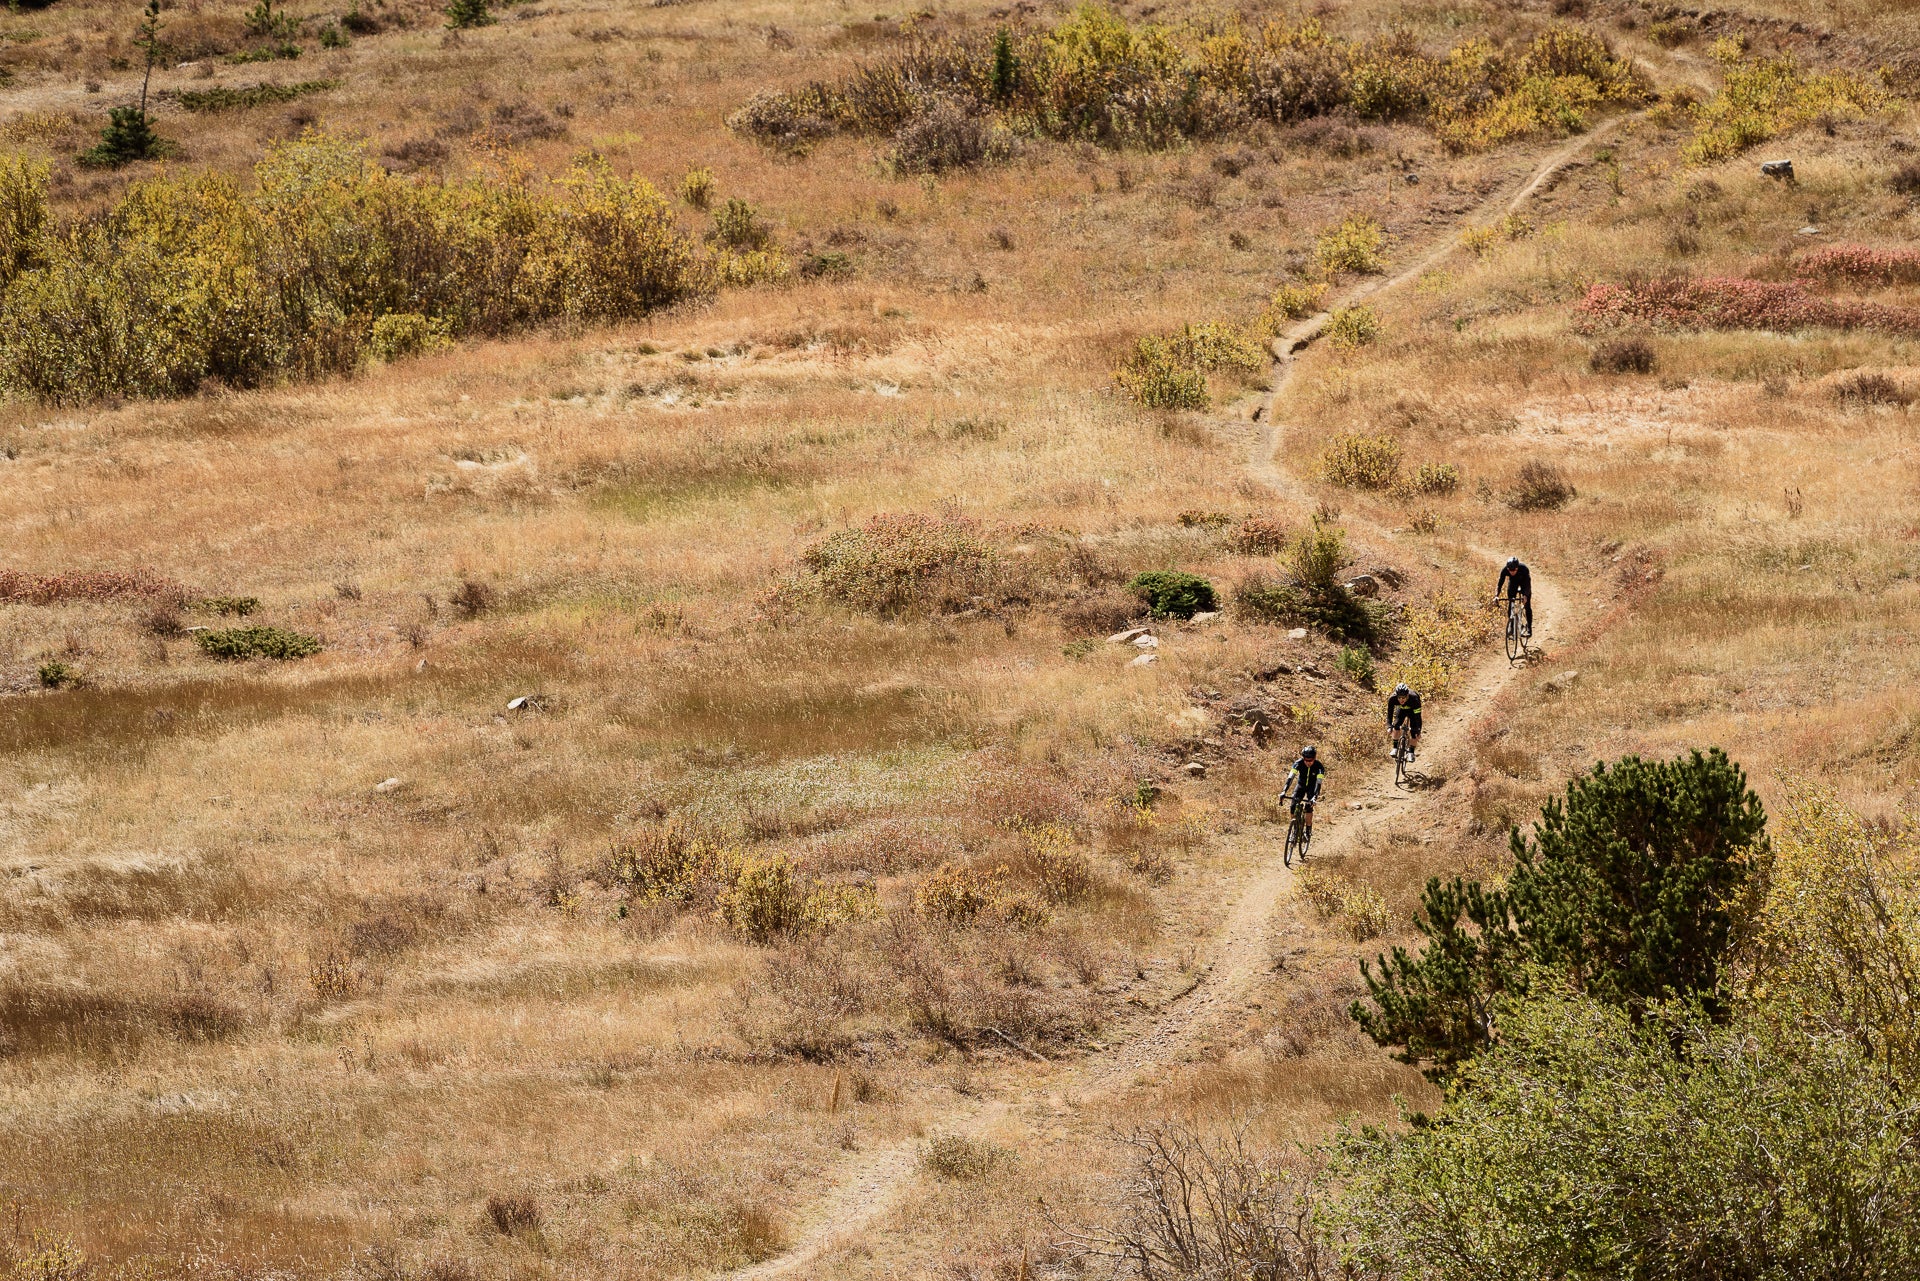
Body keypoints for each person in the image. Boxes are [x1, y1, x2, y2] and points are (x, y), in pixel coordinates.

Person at [1281, 744, 1326, 838]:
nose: (1308, 762)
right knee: (1293, 805)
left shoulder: (1319, 767)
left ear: (1314, 758)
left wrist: (1315, 797)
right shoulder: (1298, 763)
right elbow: (1290, 778)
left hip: (1312, 787)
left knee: (1308, 807)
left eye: (1311, 760)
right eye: (1306, 759)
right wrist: (1284, 791)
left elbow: (1318, 784)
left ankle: (1308, 830)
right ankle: (1295, 829)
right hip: (1301, 785)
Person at [1496, 556, 1533, 636]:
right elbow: (1500, 583)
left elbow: (1527, 585)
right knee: (1511, 602)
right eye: (1510, 571)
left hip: (1524, 583)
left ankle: (1529, 628)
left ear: (1517, 568)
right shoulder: (1505, 570)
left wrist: (1525, 595)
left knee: (1527, 605)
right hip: (1513, 583)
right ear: (1508, 569)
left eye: (1514, 570)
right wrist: (1496, 595)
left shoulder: (1524, 569)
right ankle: (1512, 626)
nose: (1512, 572)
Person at [1386, 683, 1422, 761]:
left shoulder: (1414, 699)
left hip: (1413, 712)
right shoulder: (1392, 698)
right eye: (1399, 698)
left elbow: (1418, 717)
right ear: (1396, 696)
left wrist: (1418, 730)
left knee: (1414, 732)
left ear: (1407, 695)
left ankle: (1411, 752)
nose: (1401, 700)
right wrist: (1389, 726)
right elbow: (1389, 714)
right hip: (1402, 710)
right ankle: (1395, 748)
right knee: (1396, 725)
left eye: (1403, 698)